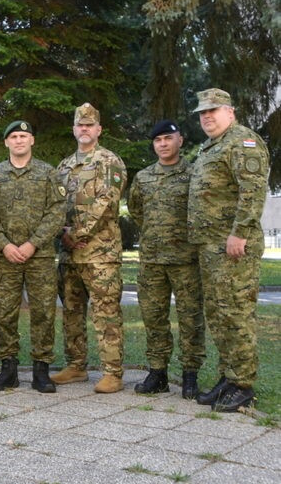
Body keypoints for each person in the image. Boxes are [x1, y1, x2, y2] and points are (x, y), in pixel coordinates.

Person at [188, 89, 268, 412]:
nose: (206, 116)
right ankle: (228, 378)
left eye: (213, 111)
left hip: (234, 247)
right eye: (202, 113)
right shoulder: (211, 147)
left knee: (236, 313)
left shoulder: (242, 142)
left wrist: (240, 233)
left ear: (230, 112)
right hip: (212, 249)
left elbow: (253, 189)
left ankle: (243, 385)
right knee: (219, 315)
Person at [0, 120, 65, 393]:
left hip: (39, 258)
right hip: (5, 257)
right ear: (6, 142)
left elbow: (56, 212)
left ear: (32, 141)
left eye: (24, 136)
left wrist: (33, 244)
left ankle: (41, 370)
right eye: (14, 136)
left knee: (43, 313)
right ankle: (8, 370)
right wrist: (5, 244)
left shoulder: (47, 173)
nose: (19, 140)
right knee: (4, 313)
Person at [53, 103, 128, 393]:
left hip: (101, 253)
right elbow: (56, 206)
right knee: (71, 311)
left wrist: (78, 232)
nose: (84, 129)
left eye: (89, 125)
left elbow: (107, 200)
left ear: (99, 129)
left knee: (106, 312)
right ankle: (76, 366)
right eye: (80, 125)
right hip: (69, 253)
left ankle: (113, 372)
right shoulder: (64, 166)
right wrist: (63, 233)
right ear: (74, 129)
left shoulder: (110, 161)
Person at [129, 119, 204, 398]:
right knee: (154, 317)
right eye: (158, 140)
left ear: (180, 141)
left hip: (186, 260)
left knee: (190, 318)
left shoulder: (194, 174)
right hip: (152, 260)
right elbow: (137, 210)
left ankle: (190, 375)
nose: (163, 144)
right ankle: (157, 372)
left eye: (168, 139)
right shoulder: (144, 177)